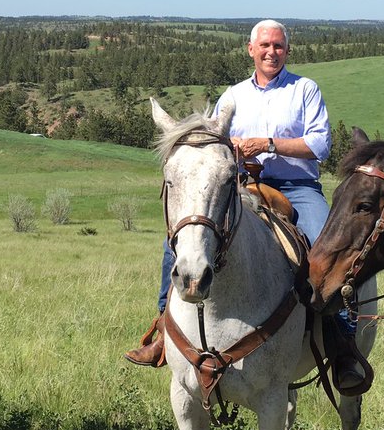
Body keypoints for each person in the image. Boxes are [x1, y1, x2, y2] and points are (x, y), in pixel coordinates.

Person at [125, 19, 368, 393]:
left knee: (325, 246)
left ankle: (343, 343)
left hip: (297, 185)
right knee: (180, 239)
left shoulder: (305, 89)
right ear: (250, 49)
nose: (272, 52)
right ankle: (163, 331)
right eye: (265, 46)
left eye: (279, 46)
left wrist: (267, 143)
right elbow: (213, 143)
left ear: (287, 50)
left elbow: (319, 145)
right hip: (242, 184)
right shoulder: (233, 96)